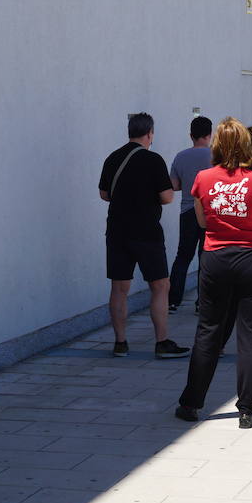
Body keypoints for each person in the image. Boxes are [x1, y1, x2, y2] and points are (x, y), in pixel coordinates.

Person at [176, 118, 252, 429]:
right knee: (250, 334)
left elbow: (203, 223)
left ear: (216, 145)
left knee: (209, 330)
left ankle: (192, 403)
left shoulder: (203, 178)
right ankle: (247, 408)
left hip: (215, 257)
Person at [98, 112, 190, 359]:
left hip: (117, 230)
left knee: (119, 287)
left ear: (129, 131)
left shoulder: (113, 158)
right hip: (147, 231)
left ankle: (120, 343)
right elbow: (167, 197)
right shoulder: (153, 160)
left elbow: (104, 194)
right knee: (160, 286)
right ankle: (162, 342)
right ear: (150, 133)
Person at [168, 116, 213, 315]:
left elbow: (174, 185)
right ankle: (201, 302)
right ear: (210, 135)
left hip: (187, 211)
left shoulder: (180, 156)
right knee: (206, 257)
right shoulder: (216, 156)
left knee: (183, 255)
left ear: (191, 135)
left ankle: (172, 300)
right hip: (210, 212)